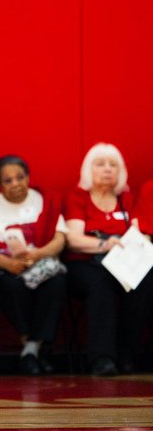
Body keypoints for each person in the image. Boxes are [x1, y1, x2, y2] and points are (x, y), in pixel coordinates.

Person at [62, 143, 153, 376]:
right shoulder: (78, 196)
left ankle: (127, 352)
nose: (107, 169)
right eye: (100, 164)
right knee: (101, 284)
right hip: (84, 263)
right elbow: (73, 239)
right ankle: (102, 358)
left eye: (113, 165)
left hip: (121, 263)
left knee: (144, 281)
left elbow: (138, 229)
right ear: (88, 170)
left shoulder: (126, 198)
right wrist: (104, 244)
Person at [0, 155, 68, 375]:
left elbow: (59, 239)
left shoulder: (45, 199)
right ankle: (30, 348)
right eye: (7, 181)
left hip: (42, 262)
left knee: (56, 283)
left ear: (28, 177)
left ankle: (33, 350)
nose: (15, 184)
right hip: (10, 267)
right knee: (11, 286)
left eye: (20, 177)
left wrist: (37, 254)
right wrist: (9, 263)